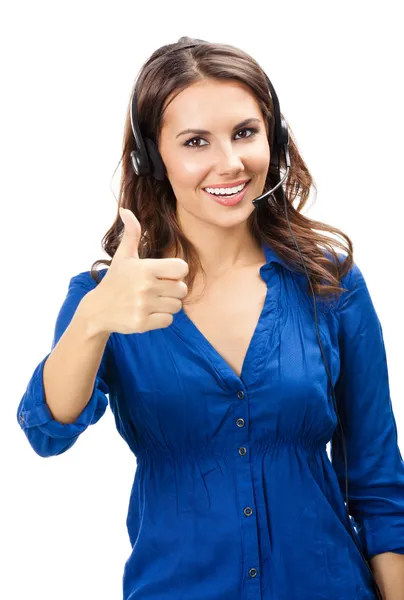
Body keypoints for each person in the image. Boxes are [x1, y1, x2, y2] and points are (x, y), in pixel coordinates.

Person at [17, 37, 404, 599]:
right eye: (196, 141)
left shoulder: (330, 280)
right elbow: (47, 432)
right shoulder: (109, 297)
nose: (230, 162)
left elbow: (377, 481)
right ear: (152, 158)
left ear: (275, 138)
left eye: (245, 133)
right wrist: (93, 320)